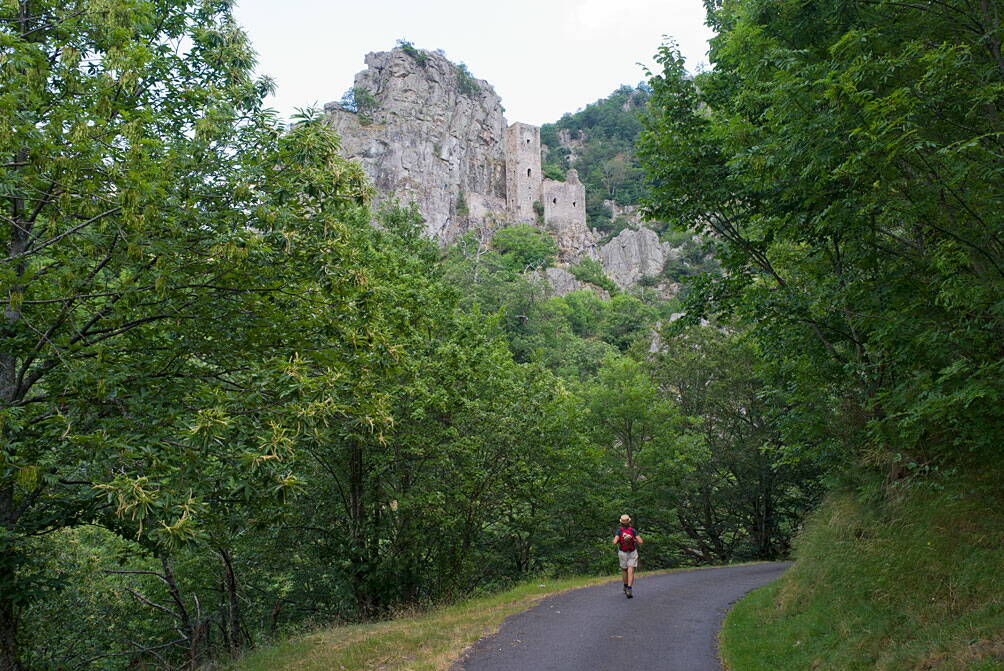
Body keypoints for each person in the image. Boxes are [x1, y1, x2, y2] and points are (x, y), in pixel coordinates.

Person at [612, 514, 643, 598]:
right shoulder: (633, 530)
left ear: (621, 523)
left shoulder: (619, 531)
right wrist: (634, 539)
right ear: (629, 522)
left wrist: (619, 540)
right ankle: (629, 588)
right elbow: (641, 541)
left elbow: (614, 542)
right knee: (631, 570)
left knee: (624, 570)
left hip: (622, 552)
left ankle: (625, 586)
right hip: (632, 552)